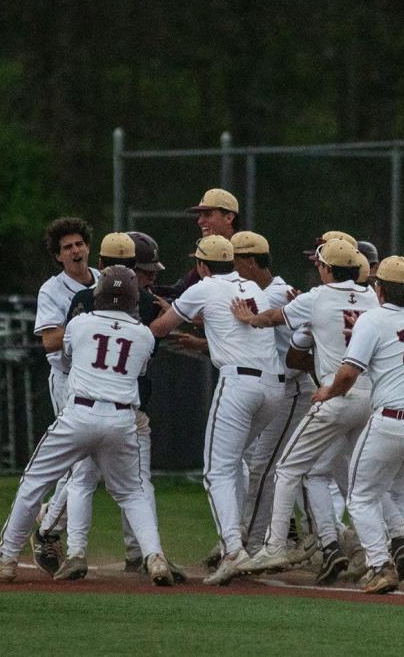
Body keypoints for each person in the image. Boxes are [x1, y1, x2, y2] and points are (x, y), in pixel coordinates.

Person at [0, 266, 176, 588]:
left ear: (99, 294)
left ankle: (7, 555)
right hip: (122, 418)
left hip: (80, 413)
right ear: (132, 299)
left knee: (35, 480)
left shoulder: (80, 323)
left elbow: (68, 355)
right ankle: (154, 555)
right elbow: (138, 368)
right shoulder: (143, 334)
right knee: (132, 493)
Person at [42, 233, 186, 585]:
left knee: (85, 479)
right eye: (145, 271)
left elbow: (69, 350)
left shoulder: (86, 300)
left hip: (95, 401)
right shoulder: (135, 304)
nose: (150, 277)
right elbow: (143, 353)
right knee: (122, 484)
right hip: (115, 403)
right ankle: (142, 554)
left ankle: (80, 548)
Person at [233, 238, 379, 585]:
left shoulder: (316, 297)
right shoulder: (373, 299)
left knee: (286, 470)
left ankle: (274, 546)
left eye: (320, 264)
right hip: (371, 397)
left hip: (335, 394)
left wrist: (249, 317)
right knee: (359, 483)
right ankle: (372, 551)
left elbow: (272, 319)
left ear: (327, 268)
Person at [150, 235, 283, 585]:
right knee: (235, 462)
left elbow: (160, 330)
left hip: (238, 383)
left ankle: (233, 550)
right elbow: (221, 319)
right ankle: (247, 540)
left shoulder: (203, 287)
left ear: (202, 266)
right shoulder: (254, 288)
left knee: (216, 470)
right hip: (274, 387)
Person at [319, 256, 404, 594]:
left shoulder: (373, 320)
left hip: (393, 421)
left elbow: (348, 373)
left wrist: (328, 392)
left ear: (379, 290)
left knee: (361, 497)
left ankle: (381, 565)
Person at [30, 217, 100, 574]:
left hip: (102, 382)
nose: (75, 250)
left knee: (86, 465)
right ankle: (48, 531)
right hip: (69, 379)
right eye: (67, 247)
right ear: (58, 257)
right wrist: (86, 326)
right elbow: (49, 340)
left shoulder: (104, 280)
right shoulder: (52, 290)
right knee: (82, 464)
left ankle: (49, 524)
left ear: (88, 246)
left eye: (79, 244)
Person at [157, 188, 240, 300]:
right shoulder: (210, 251)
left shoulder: (245, 253)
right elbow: (180, 290)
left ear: (229, 218)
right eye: (200, 215)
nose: (200, 221)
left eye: (207, 214)